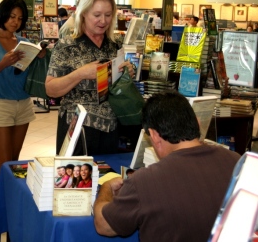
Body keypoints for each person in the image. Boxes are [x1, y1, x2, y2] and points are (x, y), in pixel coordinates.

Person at [93, 90, 240, 242]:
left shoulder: (144, 182)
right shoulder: (237, 162)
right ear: (197, 123)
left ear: (154, 136)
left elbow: (103, 225)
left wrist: (106, 188)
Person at [0, 0, 46, 225]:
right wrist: (4, 62)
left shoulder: (22, 41)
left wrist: (39, 55)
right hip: (0, 103)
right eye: (11, 16)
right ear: (3, 15)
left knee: (14, 162)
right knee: (3, 162)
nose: (15, 21)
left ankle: (5, 209)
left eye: (19, 18)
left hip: (23, 103)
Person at [46, 0, 137, 156]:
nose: (103, 21)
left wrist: (126, 75)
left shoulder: (114, 44)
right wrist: (81, 73)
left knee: (107, 178)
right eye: (97, 15)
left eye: (108, 15)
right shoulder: (67, 46)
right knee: (77, 181)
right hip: (78, 128)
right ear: (83, 14)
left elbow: (116, 85)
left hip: (111, 128)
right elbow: (50, 89)